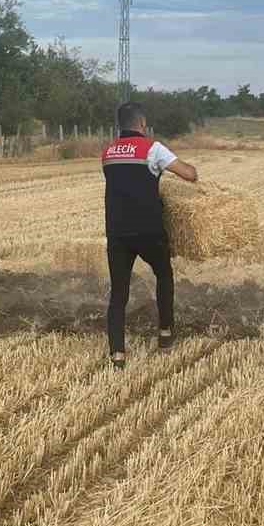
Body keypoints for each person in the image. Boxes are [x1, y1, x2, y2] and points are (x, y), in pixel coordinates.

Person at [102, 102, 198, 370]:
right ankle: (166, 334)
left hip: (117, 231)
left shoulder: (108, 152)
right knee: (164, 274)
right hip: (148, 229)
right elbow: (188, 175)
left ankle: (117, 354)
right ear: (142, 124)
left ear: (120, 125)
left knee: (118, 292)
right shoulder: (152, 149)